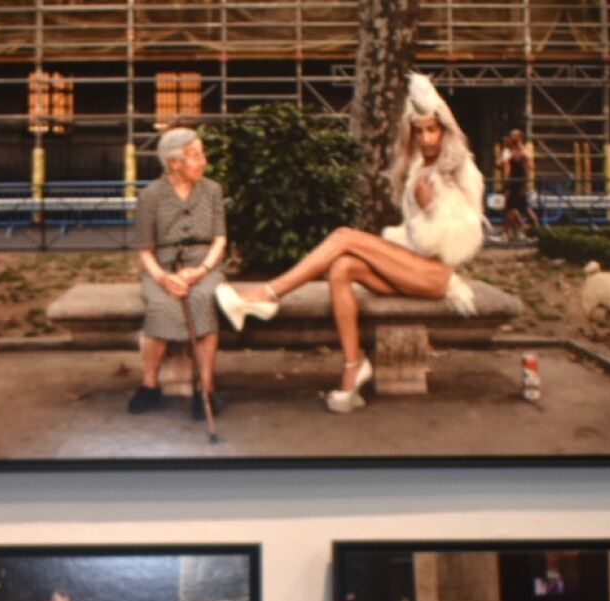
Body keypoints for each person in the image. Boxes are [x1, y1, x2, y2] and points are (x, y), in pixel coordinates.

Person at [216, 71, 486, 413]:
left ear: (446, 131)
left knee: (344, 237)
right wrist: (416, 219)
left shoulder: (463, 170)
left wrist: (431, 209)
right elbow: (412, 234)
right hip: (413, 267)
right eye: (418, 131)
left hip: (436, 276)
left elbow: (467, 236)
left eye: (432, 130)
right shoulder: (418, 168)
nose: (425, 139)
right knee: (342, 267)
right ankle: (353, 365)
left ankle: (266, 295)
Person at [127, 126, 227, 420]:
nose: (203, 161)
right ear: (174, 163)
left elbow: (220, 239)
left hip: (205, 264)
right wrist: (163, 278)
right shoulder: (151, 196)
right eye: (195, 156)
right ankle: (149, 384)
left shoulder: (212, 190)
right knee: (161, 303)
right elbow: (145, 249)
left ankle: (206, 390)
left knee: (202, 299)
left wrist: (202, 271)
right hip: (164, 267)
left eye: (202, 154)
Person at [497, 128, 539, 241]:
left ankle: (508, 232)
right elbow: (504, 164)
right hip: (514, 184)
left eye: (512, 136)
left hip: (519, 184)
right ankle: (513, 231)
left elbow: (529, 167)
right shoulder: (512, 150)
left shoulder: (523, 152)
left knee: (517, 209)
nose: (510, 137)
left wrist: (525, 184)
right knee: (514, 209)